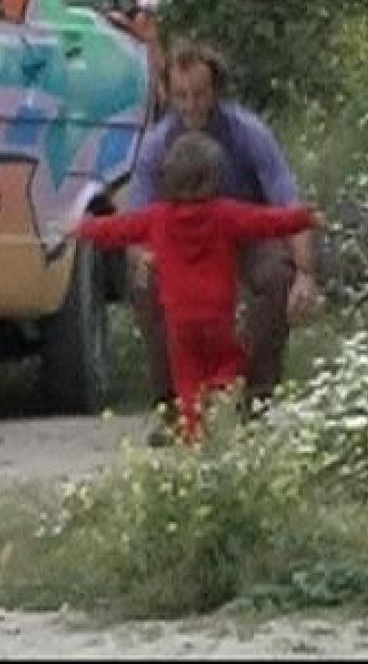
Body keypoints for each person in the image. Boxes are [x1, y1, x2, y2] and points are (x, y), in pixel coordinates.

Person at [124, 41, 319, 443]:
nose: (191, 105)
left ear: (215, 91)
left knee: (275, 275)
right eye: (181, 96)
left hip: (244, 234)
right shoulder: (157, 146)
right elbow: (136, 220)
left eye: (199, 94)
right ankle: (174, 408)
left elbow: (288, 204)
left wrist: (305, 272)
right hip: (186, 243)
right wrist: (143, 257)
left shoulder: (248, 134)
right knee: (149, 284)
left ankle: (257, 401)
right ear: (167, 94)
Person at [75, 131, 320, 441]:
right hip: (217, 315)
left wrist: (81, 229)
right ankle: (221, 385)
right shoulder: (225, 214)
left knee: (187, 379)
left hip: (179, 320)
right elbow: (266, 221)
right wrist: (304, 218)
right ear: (213, 179)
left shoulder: (157, 218)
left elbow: (118, 229)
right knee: (231, 359)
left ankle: (193, 431)